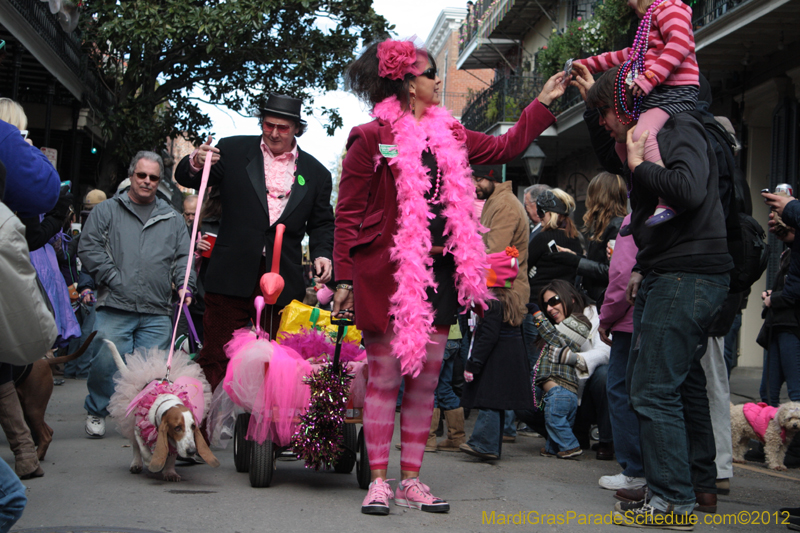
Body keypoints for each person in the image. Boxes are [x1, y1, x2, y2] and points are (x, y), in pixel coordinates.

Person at [332, 38, 566, 515]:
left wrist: (542, 102)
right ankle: (377, 482)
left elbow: (506, 146)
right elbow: (348, 214)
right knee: (384, 381)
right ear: (407, 83)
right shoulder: (370, 136)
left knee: (425, 383)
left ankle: (411, 481)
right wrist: (343, 280)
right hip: (387, 275)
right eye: (431, 73)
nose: (439, 80)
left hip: (438, 275)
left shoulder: (453, 134)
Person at [575, 61, 731, 526]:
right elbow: (621, 164)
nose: (604, 124)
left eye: (604, 114)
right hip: (676, 271)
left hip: (686, 274)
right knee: (677, 387)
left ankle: (672, 502)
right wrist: (644, 264)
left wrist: (640, 165)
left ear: (623, 106)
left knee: (652, 390)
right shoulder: (654, 131)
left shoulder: (677, 126)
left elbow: (687, 189)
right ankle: (691, 490)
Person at [174, 94, 334, 390]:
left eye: (282, 128)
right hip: (230, 273)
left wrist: (322, 253)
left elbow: (322, 223)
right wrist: (196, 162)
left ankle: (267, 418)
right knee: (216, 354)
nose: (273, 133)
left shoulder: (317, 174)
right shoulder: (233, 150)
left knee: (279, 358)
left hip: (282, 280)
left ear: (296, 129)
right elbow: (189, 177)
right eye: (268, 125)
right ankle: (210, 418)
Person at [78, 151, 195, 438]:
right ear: (131, 176)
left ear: (159, 181)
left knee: (152, 375)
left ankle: (143, 421)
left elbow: (184, 256)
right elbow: (89, 246)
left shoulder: (172, 218)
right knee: (104, 364)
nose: (147, 181)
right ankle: (97, 409)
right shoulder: (107, 210)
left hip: (156, 309)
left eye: (153, 177)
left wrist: (184, 284)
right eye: (141, 175)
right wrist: (113, 277)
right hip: (115, 305)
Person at [576, 0, 699, 227]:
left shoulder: (670, 8)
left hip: (674, 92)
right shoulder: (651, 18)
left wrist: (651, 77)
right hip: (662, 91)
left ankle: (668, 199)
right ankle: (640, 205)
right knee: (621, 146)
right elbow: (629, 55)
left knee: (642, 134)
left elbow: (679, 44)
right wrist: (587, 64)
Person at [459, 163, 533, 459]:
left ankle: (487, 441)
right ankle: (489, 438)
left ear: (490, 177)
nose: (474, 185)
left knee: (494, 369)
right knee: (496, 368)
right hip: (500, 292)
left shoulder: (504, 205)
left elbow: (493, 253)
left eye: (477, 179)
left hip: (503, 294)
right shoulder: (498, 201)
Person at [597, 213, 646, 496]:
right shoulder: (676, 211)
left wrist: (606, 318)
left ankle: (635, 470)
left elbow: (622, 277)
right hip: (660, 314)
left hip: (630, 320)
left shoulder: (635, 219)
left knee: (621, 391)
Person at [557, 172, 627, 307]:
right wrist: (574, 256)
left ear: (599, 196)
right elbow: (598, 261)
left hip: (603, 300)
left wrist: (577, 262)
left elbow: (612, 270)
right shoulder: (603, 223)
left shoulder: (617, 225)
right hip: (594, 297)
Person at [757, 191, 800, 406]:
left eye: (783, 235)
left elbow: (794, 292)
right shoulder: (788, 254)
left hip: (791, 325)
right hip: (779, 324)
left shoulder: (793, 255)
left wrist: (773, 299)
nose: (781, 239)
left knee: (795, 390)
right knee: (768, 392)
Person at [527, 188, 583, 301]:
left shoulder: (542, 238)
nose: (538, 216)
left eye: (541, 212)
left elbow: (524, 266)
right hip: (565, 302)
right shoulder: (575, 239)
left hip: (539, 303)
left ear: (553, 214)